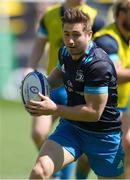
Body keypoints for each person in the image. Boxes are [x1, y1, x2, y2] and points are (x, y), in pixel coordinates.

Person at [25, 8, 124, 179]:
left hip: (104, 137)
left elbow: (93, 113)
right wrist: (37, 88)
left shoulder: (99, 66)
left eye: (76, 35)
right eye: (66, 34)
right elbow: (57, 77)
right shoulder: (65, 52)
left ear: (89, 34)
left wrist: (54, 108)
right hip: (72, 129)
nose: (70, 41)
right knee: (39, 171)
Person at [93, 0, 130, 178]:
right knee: (88, 158)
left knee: (127, 145)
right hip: (101, 109)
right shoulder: (106, 39)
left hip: (123, 107)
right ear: (121, 14)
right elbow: (116, 74)